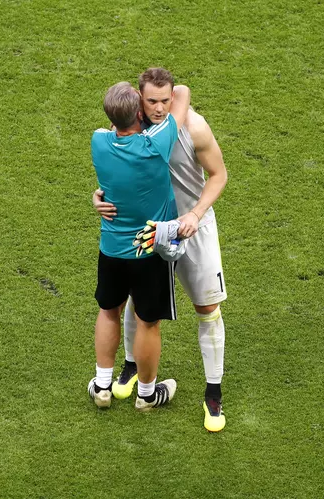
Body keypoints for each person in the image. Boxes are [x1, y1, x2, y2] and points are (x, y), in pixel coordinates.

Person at [93, 67, 229, 432]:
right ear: (138, 103)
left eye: (165, 100)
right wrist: (98, 198)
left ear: (173, 99)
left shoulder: (192, 128)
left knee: (207, 307)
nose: (158, 108)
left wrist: (196, 214)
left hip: (193, 228)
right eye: (150, 101)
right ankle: (132, 368)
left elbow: (219, 175)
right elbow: (115, 179)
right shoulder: (133, 133)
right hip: (153, 232)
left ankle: (213, 394)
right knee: (139, 304)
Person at [88, 79, 190, 412]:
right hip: (149, 250)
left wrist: (95, 198)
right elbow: (183, 93)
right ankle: (146, 393)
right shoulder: (154, 145)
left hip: (111, 249)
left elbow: (111, 128)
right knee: (147, 322)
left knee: (108, 311)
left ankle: (103, 386)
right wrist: (154, 106)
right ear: (139, 112)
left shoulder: (99, 141)